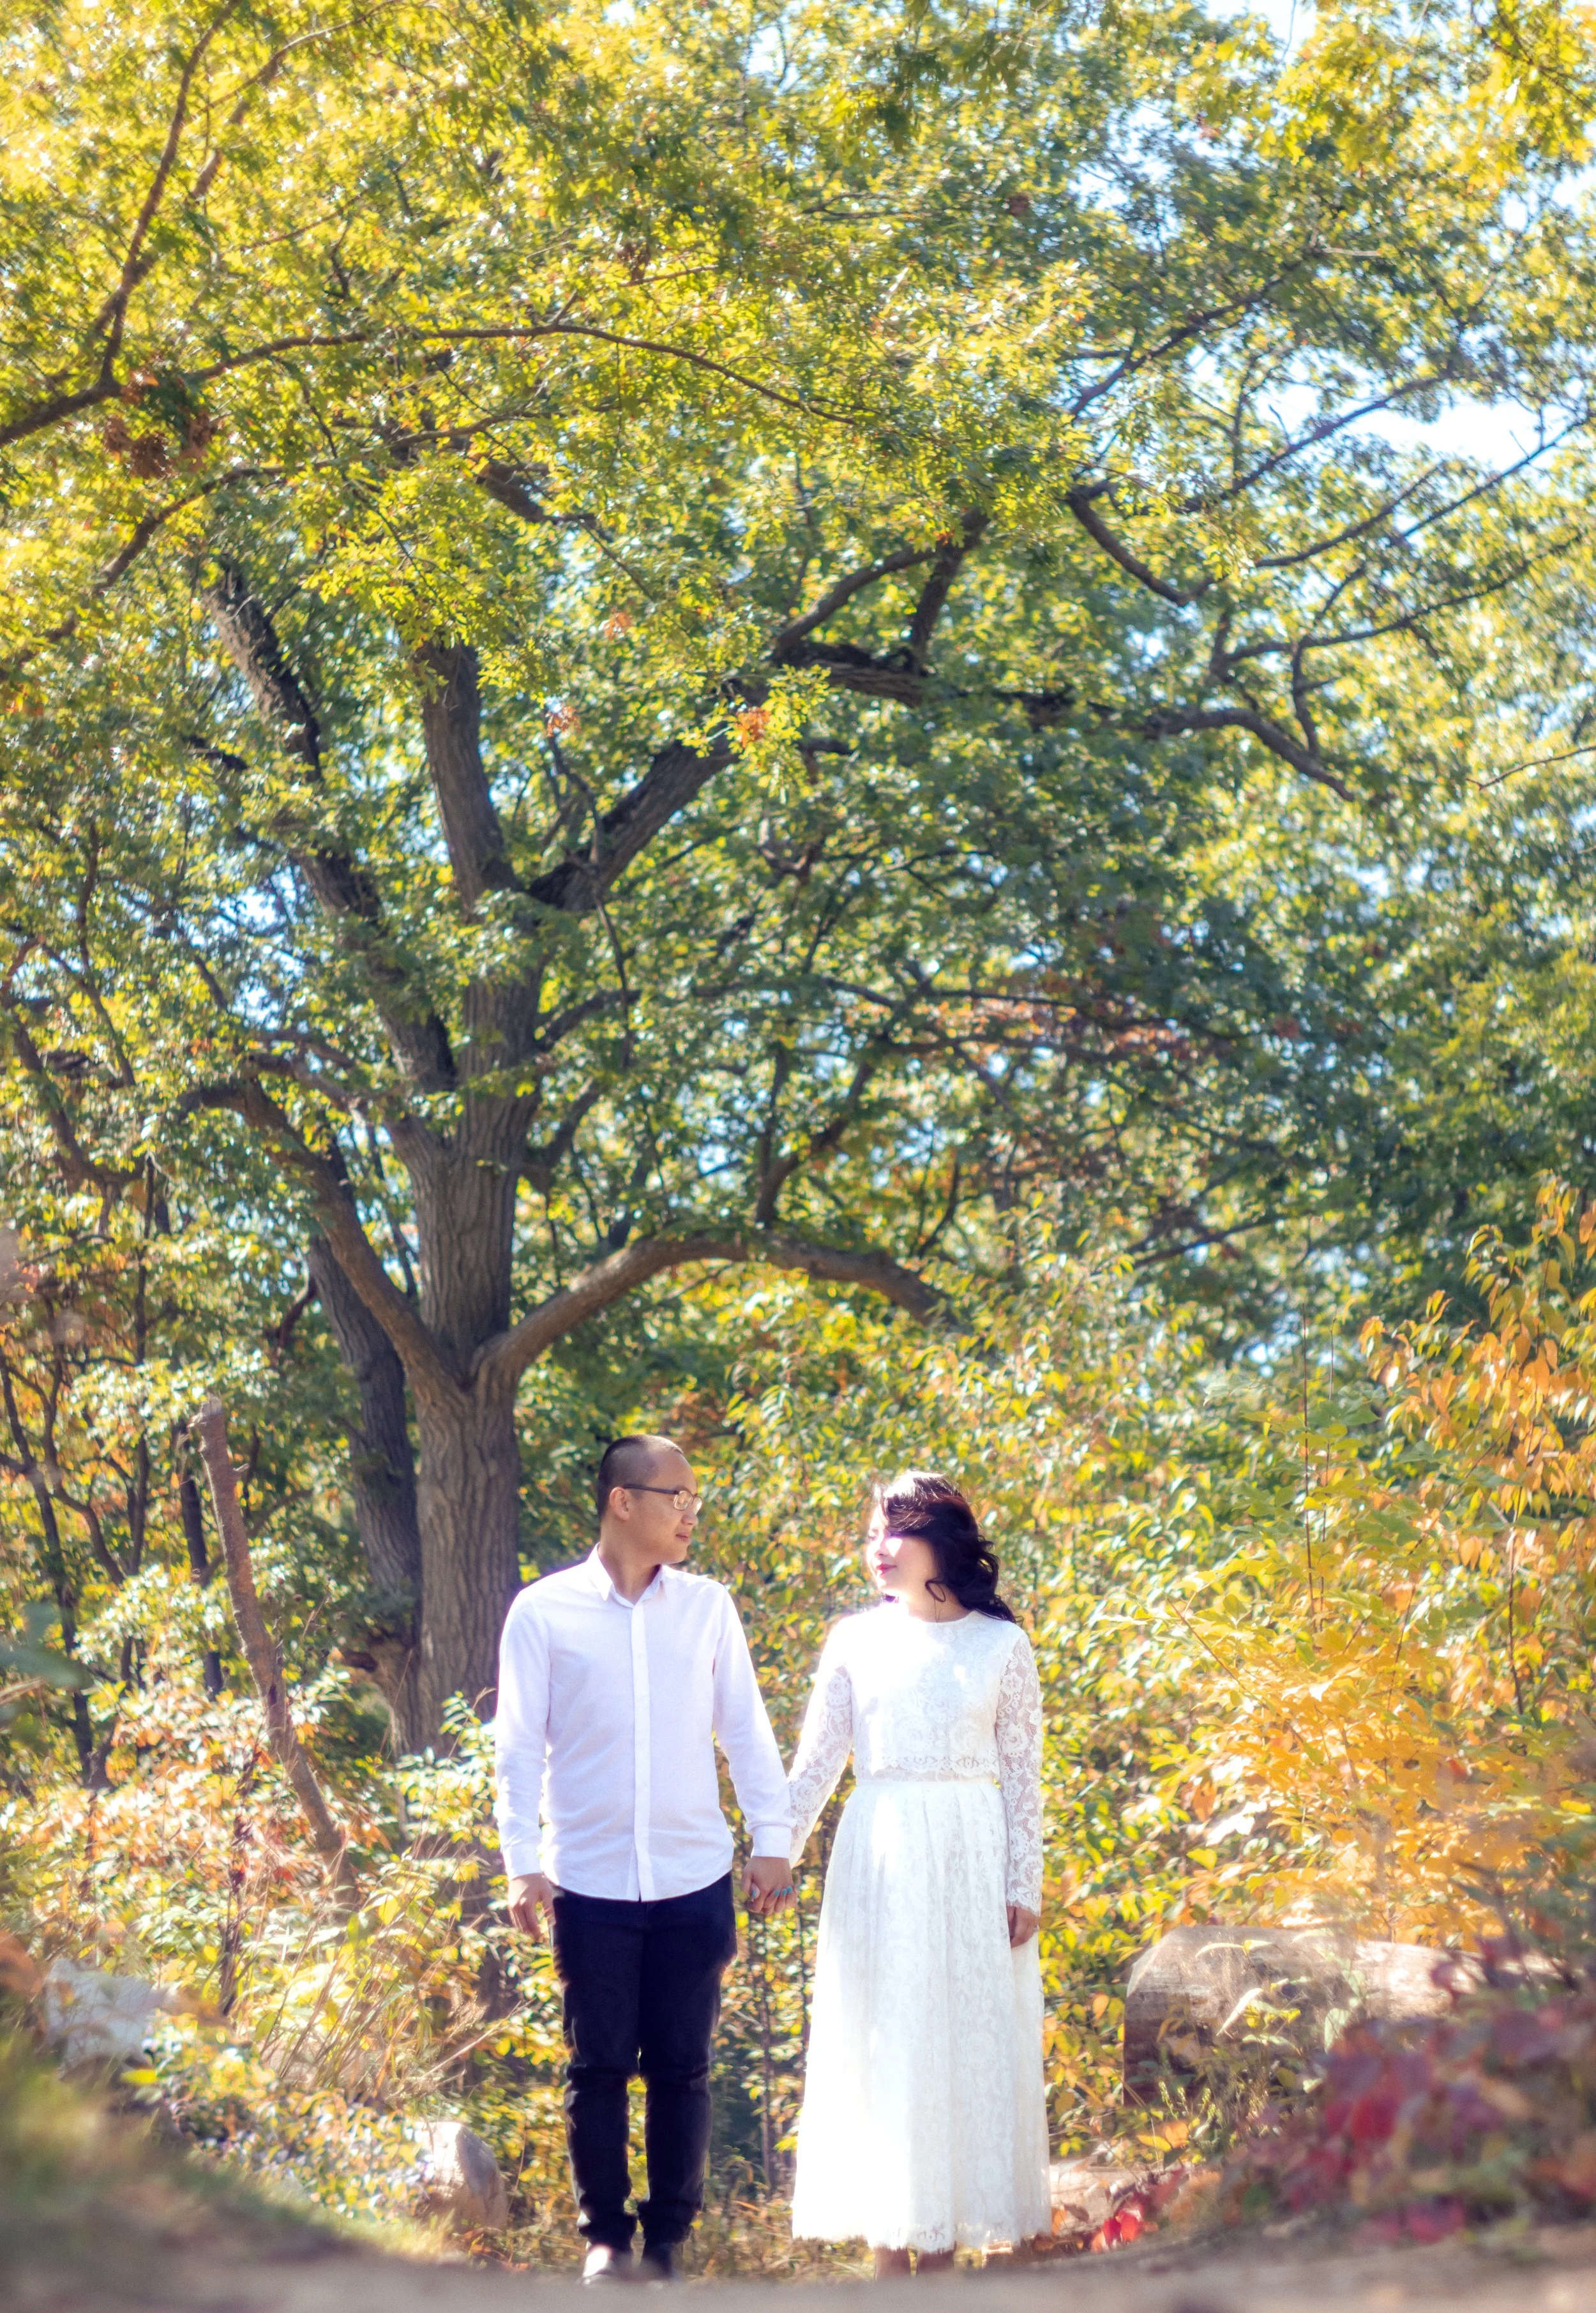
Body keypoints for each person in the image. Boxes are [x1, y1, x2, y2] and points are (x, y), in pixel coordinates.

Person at [495, 1433, 795, 2285]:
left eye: (694, 1496)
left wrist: (771, 1839)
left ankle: (665, 2245)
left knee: (681, 2064)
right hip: (586, 1877)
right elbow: (516, 1748)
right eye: (677, 1494)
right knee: (596, 2064)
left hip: (692, 1874)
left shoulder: (708, 1607)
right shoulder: (544, 1612)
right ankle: (605, 2242)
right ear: (622, 1500)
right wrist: (523, 1861)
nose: (690, 1511)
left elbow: (745, 1728)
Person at [785, 1470, 1051, 2275]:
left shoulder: (1002, 1644)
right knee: (885, 2043)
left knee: (958, 2041)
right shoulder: (854, 1640)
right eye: (871, 1531)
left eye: (891, 1529)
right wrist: (772, 1853)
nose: (876, 1546)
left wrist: (1022, 1883)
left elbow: (1023, 1773)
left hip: (972, 1857)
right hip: (880, 1851)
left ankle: (942, 2269)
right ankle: (888, 2271)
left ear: (938, 1535)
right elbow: (815, 1766)